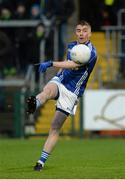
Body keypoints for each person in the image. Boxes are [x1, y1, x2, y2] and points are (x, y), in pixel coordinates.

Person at [26, 20, 97, 171]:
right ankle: (35, 103)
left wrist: (51, 63)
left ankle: (41, 162)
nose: (81, 33)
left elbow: (74, 64)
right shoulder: (72, 45)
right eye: (78, 30)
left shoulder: (91, 53)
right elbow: (68, 61)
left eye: (84, 30)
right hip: (61, 81)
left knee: (54, 127)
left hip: (72, 92)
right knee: (48, 90)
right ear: (75, 32)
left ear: (89, 33)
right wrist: (57, 76)